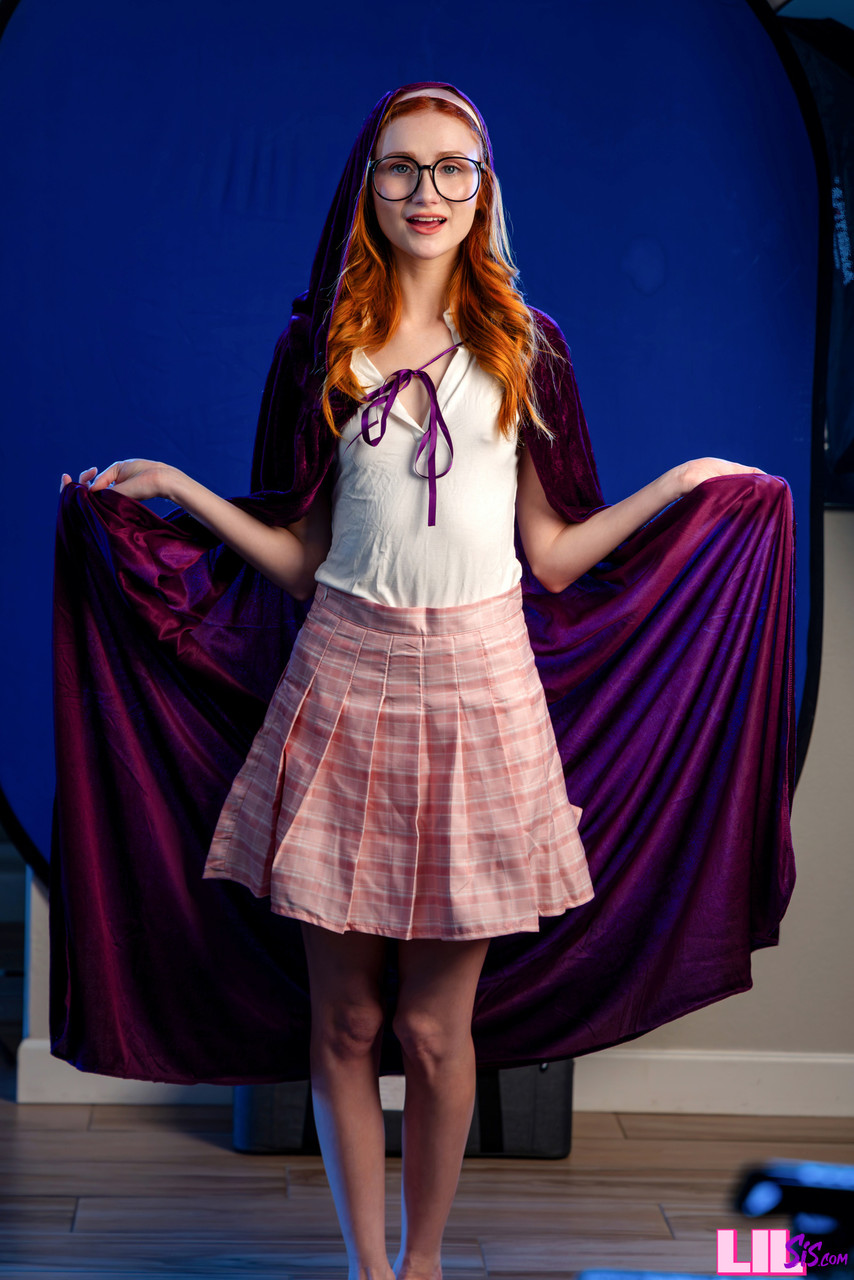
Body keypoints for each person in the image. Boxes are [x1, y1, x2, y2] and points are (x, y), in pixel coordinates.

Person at [57, 83, 792, 1280]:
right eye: (402, 167)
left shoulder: (527, 347)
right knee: (345, 1017)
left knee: (435, 1028)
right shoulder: (319, 349)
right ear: (368, 186)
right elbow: (301, 556)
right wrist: (182, 493)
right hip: (340, 682)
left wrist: (679, 486)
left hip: (482, 694)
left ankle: (425, 1262)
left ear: (483, 190)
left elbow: (551, 553)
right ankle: (368, 1270)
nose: (426, 192)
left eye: (453, 169)